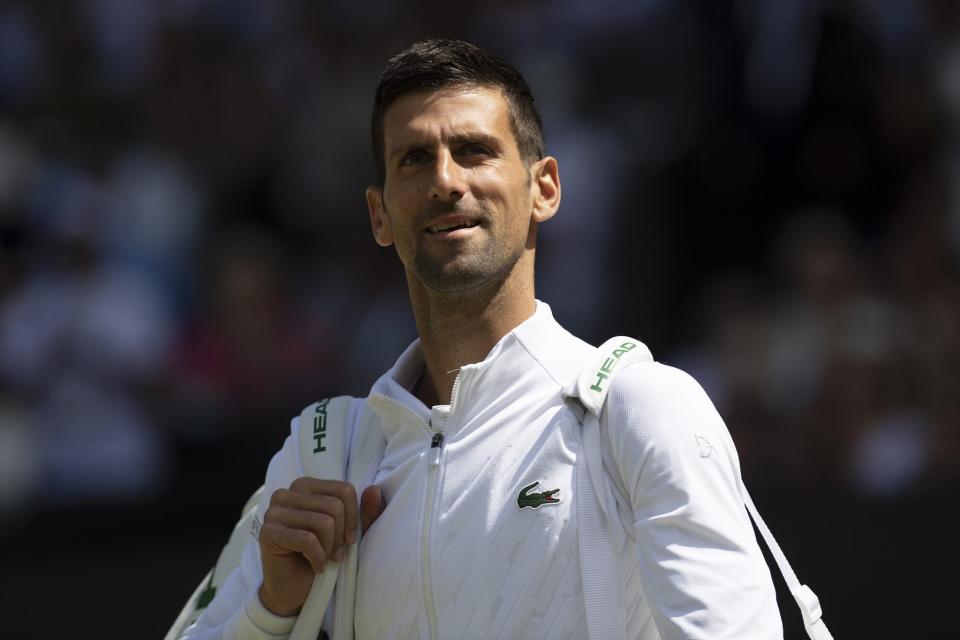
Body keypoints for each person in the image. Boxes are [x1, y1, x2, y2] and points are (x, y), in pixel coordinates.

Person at [181, 38, 785, 639]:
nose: (445, 180)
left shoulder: (641, 406)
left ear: (543, 188)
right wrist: (270, 610)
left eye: (474, 150)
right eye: (414, 159)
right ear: (379, 215)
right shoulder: (324, 451)